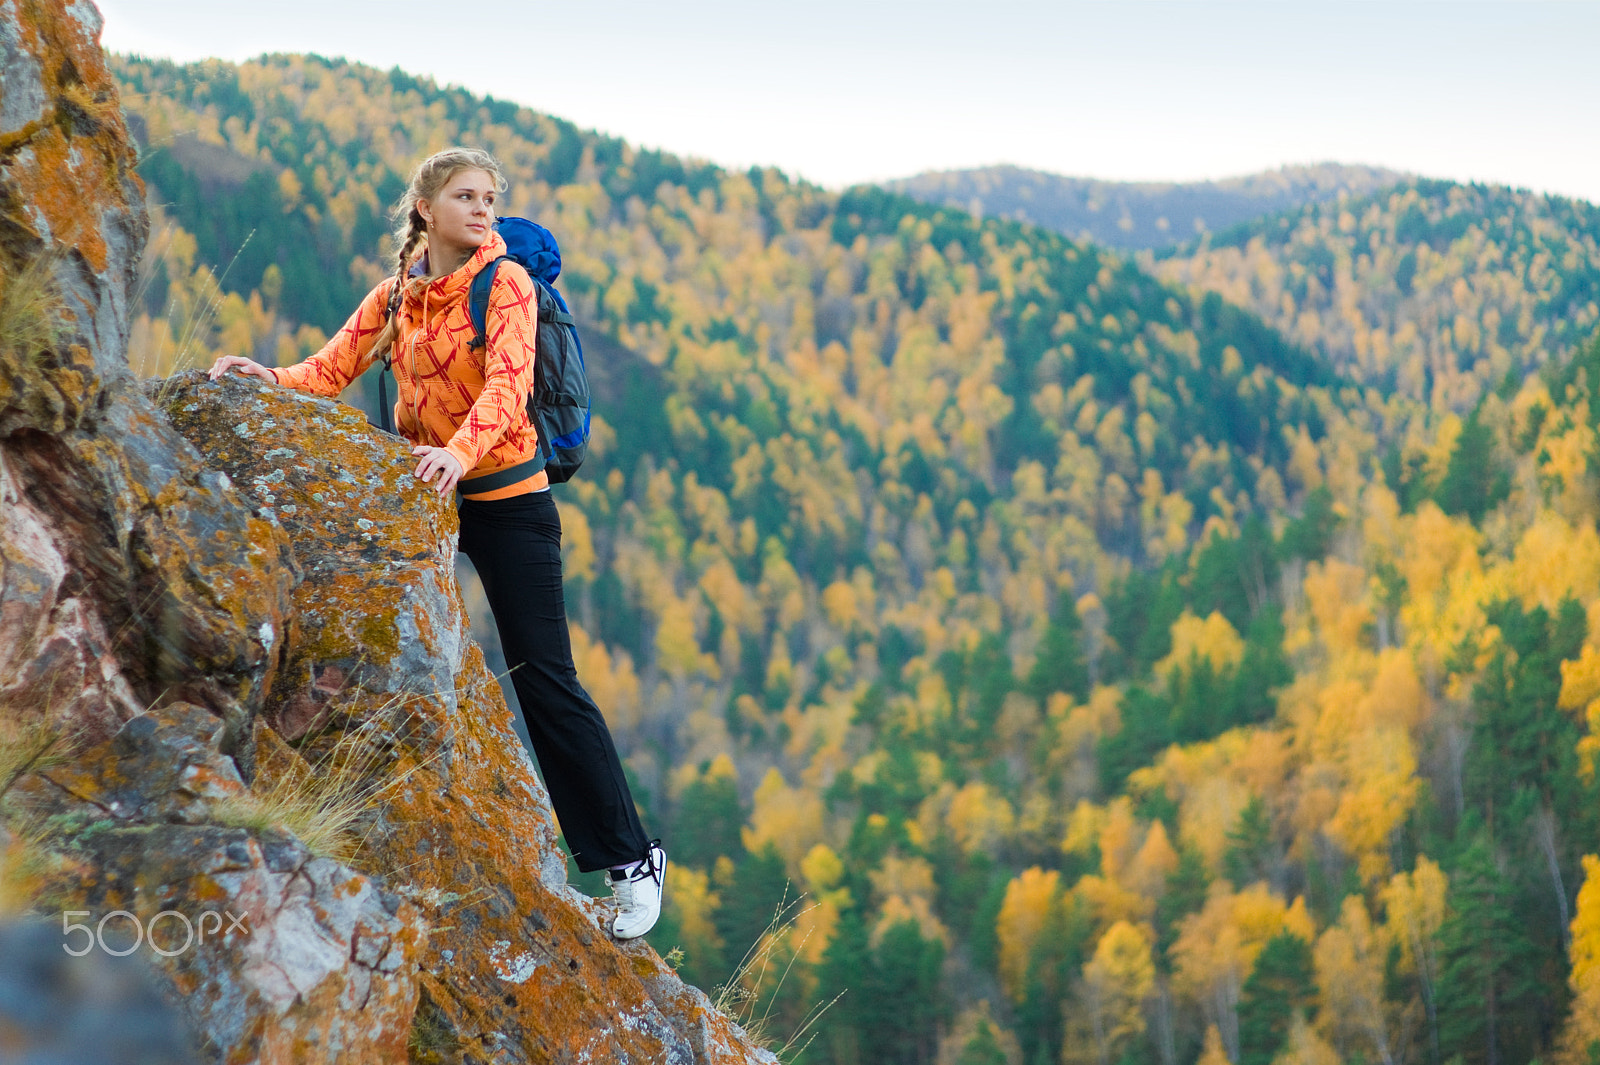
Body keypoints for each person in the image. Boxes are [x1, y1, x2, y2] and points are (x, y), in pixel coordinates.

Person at [207, 147, 665, 939]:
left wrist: (460, 449)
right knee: (381, 640)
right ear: (425, 207)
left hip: (510, 501)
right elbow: (330, 368)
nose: (483, 209)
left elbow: (507, 386)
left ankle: (631, 861)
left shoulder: (507, 284)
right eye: (466, 195)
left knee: (544, 677)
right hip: (431, 498)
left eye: (491, 197)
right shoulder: (398, 296)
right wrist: (267, 378)